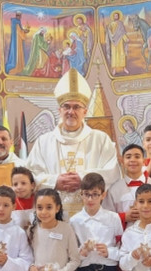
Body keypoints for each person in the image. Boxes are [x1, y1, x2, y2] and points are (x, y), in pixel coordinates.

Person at [26, 68, 120, 217]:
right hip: (53, 218)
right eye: (67, 106)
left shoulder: (100, 139)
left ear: (85, 111)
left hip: (91, 217)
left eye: (76, 107)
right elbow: (30, 176)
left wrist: (83, 179)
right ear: (59, 110)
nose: (71, 111)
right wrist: (55, 181)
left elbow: (112, 172)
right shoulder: (44, 142)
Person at [107, 11, 130, 75]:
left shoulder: (120, 24)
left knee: (121, 54)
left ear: (118, 17)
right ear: (113, 17)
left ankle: (124, 68)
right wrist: (111, 35)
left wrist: (126, 39)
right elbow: (109, 33)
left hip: (120, 41)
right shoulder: (111, 24)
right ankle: (114, 69)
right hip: (114, 42)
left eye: (117, 16)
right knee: (114, 55)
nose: (115, 17)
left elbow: (123, 33)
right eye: (114, 16)